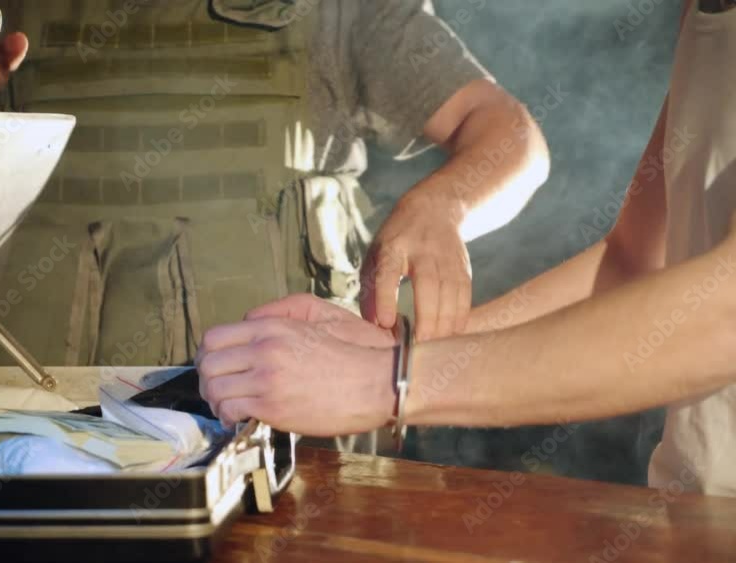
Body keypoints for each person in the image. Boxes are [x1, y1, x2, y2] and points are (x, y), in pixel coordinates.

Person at [197, 0, 736, 496]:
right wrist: (394, 356)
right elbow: (635, 266)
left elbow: (725, 312)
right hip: (692, 515)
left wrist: (388, 384)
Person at [0, 0, 550, 376]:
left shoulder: (336, 12)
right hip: (29, 431)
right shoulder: (0, 13)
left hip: (283, 443)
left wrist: (442, 207)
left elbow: (510, 136)